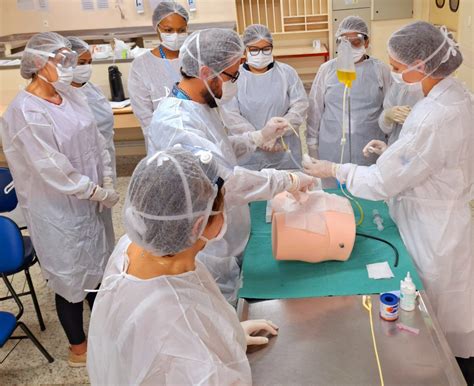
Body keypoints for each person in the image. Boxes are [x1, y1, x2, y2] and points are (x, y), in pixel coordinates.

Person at [302, 21, 474, 384]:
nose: (395, 75)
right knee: (452, 310)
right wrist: (396, 150)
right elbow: (430, 159)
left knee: (434, 313)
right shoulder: (458, 95)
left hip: (432, 228)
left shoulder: (433, 115)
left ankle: (440, 371)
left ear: (422, 65)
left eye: (399, 68)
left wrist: (336, 168)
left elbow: (382, 182)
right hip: (443, 213)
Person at [147, 28, 316, 304]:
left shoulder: (199, 105)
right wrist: (287, 181)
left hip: (225, 230)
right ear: (205, 72)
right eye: (232, 75)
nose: (236, 82)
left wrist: (257, 137)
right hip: (206, 244)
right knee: (222, 304)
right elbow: (226, 182)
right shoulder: (176, 124)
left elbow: (220, 150)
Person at [87, 147, 279, 384]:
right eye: (222, 207)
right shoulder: (179, 331)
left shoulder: (135, 245)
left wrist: (229, 335)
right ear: (199, 225)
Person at [0, 32, 119, 367]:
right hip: (56, 210)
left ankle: (104, 333)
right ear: (39, 64)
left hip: (89, 201)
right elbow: (52, 167)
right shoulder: (25, 112)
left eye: (71, 58)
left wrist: (106, 178)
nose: (69, 66)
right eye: (62, 59)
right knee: (69, 277)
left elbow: (96, 140)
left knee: (97, 266)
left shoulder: (69, 95)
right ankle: (78, 348)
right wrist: (94, 190)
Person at [307, 16, 391, 185]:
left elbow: (390, 106)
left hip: (368, 147)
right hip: (332, 146)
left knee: (367, 191)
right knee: (334, 199)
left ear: (366, 43)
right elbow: (315, 108)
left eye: (356, 41)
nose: (350, 47)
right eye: (344, 42)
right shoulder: (327, 70)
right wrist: (312, 142)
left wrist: (391, 142)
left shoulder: (379, 70)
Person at [223, 24, 308, 170]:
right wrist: (260, 137)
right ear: (245, 50)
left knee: (291, 188)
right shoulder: (234, 77)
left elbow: (300, 106)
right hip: (249, 155)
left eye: (266, 49)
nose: (261, 54)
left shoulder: (286, 73)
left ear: (272, 48)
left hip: (285, 150)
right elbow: (231, 116)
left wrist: (278, 132)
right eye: (254, 50)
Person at [128, 0, 189, 140]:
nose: (175, 35)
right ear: (157, 28)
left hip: (198, 134)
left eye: (181, 30)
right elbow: (144, 114)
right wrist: (162, 139)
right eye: (168, 30)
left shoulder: (194, 58)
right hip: (161, 138)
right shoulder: (141, 65)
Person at [67, 36, 117, 179]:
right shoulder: (60, 95)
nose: (87, 67)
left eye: (90, 62)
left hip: (105, 155)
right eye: (82, 63)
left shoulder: (93, 89)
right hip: (78, 165)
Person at [378, 79, 424, 145]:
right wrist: (387, 115)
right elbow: (385, 127)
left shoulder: (434, 88)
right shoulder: (400, 84)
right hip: (394, 147)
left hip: (421, 150)